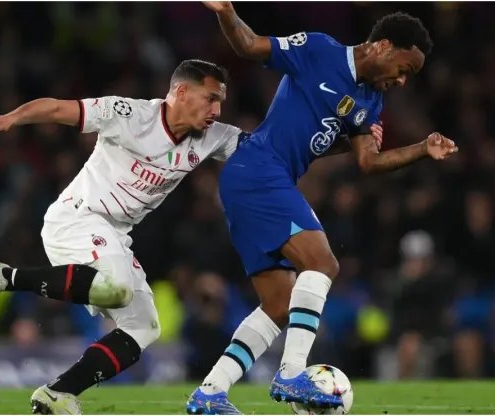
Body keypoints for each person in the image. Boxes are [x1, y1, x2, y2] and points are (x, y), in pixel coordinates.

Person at [0, 57, 385, 415]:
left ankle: (57, 393)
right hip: (77, 218)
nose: (217, 110)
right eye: (211, 98)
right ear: (180, 93)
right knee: (118, 289)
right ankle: (6, 276)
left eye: (221, 101)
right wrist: (13, 117)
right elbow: (59, 110)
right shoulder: (130, 116)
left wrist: (351, 143)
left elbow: (273, 150)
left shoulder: (211, 137)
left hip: (115, 234)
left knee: (144, 327)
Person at [186, 3, 457, 415]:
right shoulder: (318, 50)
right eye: (404, 69)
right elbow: (248, 45)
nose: (402, 81)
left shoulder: (371, 100)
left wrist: (422, 148)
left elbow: (369, 162)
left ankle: (210, 392)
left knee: (279, 304)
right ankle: (292, 372)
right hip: (258, 168)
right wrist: (225, 10)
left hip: (262, 181)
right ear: (383, 46)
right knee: (323, 264)